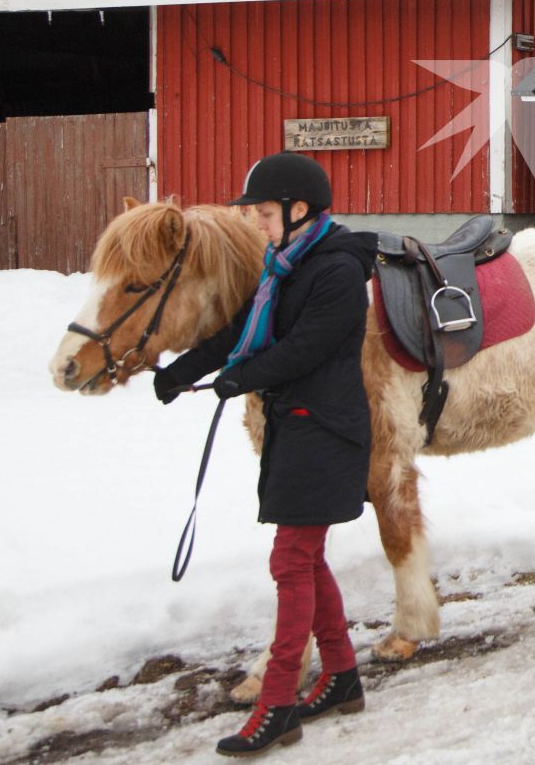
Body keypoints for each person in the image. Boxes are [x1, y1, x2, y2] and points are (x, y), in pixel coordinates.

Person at [153, 152, 375, 756]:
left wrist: (236, 380)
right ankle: (343, 678)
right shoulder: (281, 268)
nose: (255, 222)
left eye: (263, 212)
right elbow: (238, 332)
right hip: (296, 426)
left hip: (326, 430)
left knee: (291, 561)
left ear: (299, 211)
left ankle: (277, 705)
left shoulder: (335, 273)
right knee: (308, 559)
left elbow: (305, 348)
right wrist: (183, 372)